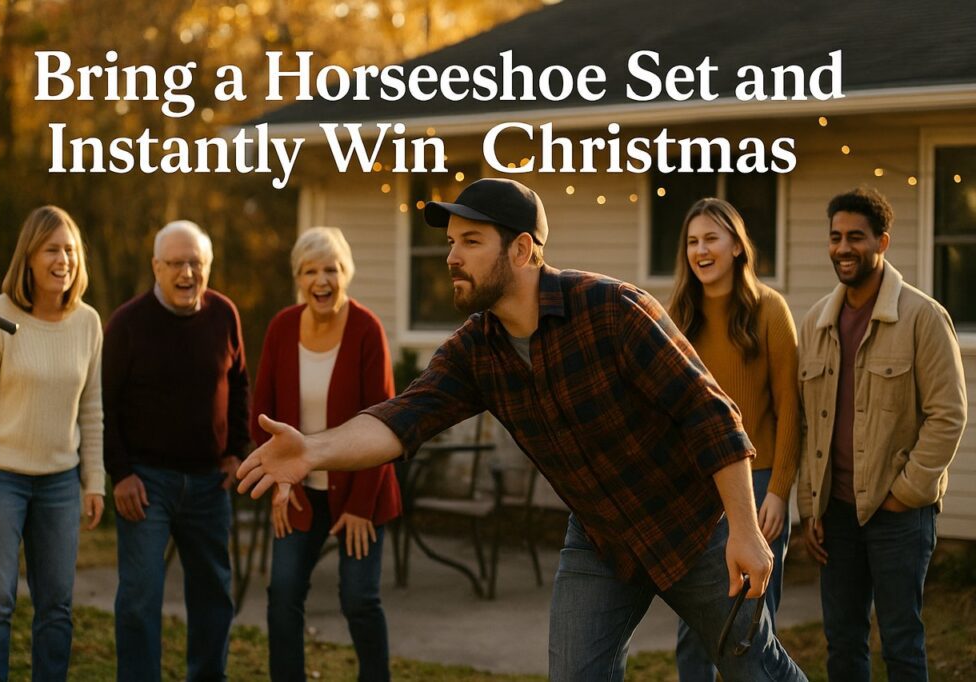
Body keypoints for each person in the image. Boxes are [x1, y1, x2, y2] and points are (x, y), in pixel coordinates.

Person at [238, 178, 807, 681]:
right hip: (600, 539)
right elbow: (399, 419)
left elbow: (710, 413)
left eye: (470, 242)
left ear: (522, 249)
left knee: (753, 666)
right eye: (450, 242)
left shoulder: (611, 309)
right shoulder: (474, 351)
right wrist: (314, 450)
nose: (451, 257)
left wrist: (745, 529)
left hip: (693, 527)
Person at [798, 187, 966, 681]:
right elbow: (809, 423)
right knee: (843, 643)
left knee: (901, 643)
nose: (843, 248)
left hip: (899, 517)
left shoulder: (922, 317)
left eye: (856, 237)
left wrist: (905, 493)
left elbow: (947, 415)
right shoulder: (815, 324)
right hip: (837, 517)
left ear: (882, 242)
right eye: (835, 237)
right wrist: (812, 507)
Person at [0, 205, 105, 681]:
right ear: (29, 256)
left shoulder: (88, 323)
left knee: (56, 608)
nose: (63, 259)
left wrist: (93, 480)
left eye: (70, 250)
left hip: (60, 483)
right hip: (1, 480)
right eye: (52, 249)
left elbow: (92, 409)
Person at [103, 220, 250, 682]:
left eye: (197, 263)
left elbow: (241, 383)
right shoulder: (127, 323)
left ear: (208, 266)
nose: (188, 273)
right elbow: (102, 404)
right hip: (147, 483)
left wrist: (237, 451)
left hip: (210, 481)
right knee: (140, 597)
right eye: (177, 264)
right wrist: (120, 472)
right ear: (156, 267)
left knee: (214, 594)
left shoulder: (224, 314)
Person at [253, 226, 401, 682]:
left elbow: (384, 423)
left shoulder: (366, 329)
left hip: (362, 490)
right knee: (283, 595)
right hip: (297, 491)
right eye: (310, 270)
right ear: (298, 277)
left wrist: (359, 508)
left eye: (331, 269)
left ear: (345, 274)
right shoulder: (281, 328)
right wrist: (281, 481)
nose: (322, 280)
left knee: (358, 599)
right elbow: (261, 413)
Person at [669, 198, 800, 681]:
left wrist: (780, 490)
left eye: (711, 239)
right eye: (691, 242)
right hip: (698, 491)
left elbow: (790, 409)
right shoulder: (677, 317)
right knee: (694, 631)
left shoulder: (770, 310)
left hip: (759, 484)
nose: (700, 251)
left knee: (751, 629)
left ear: (737, 247)